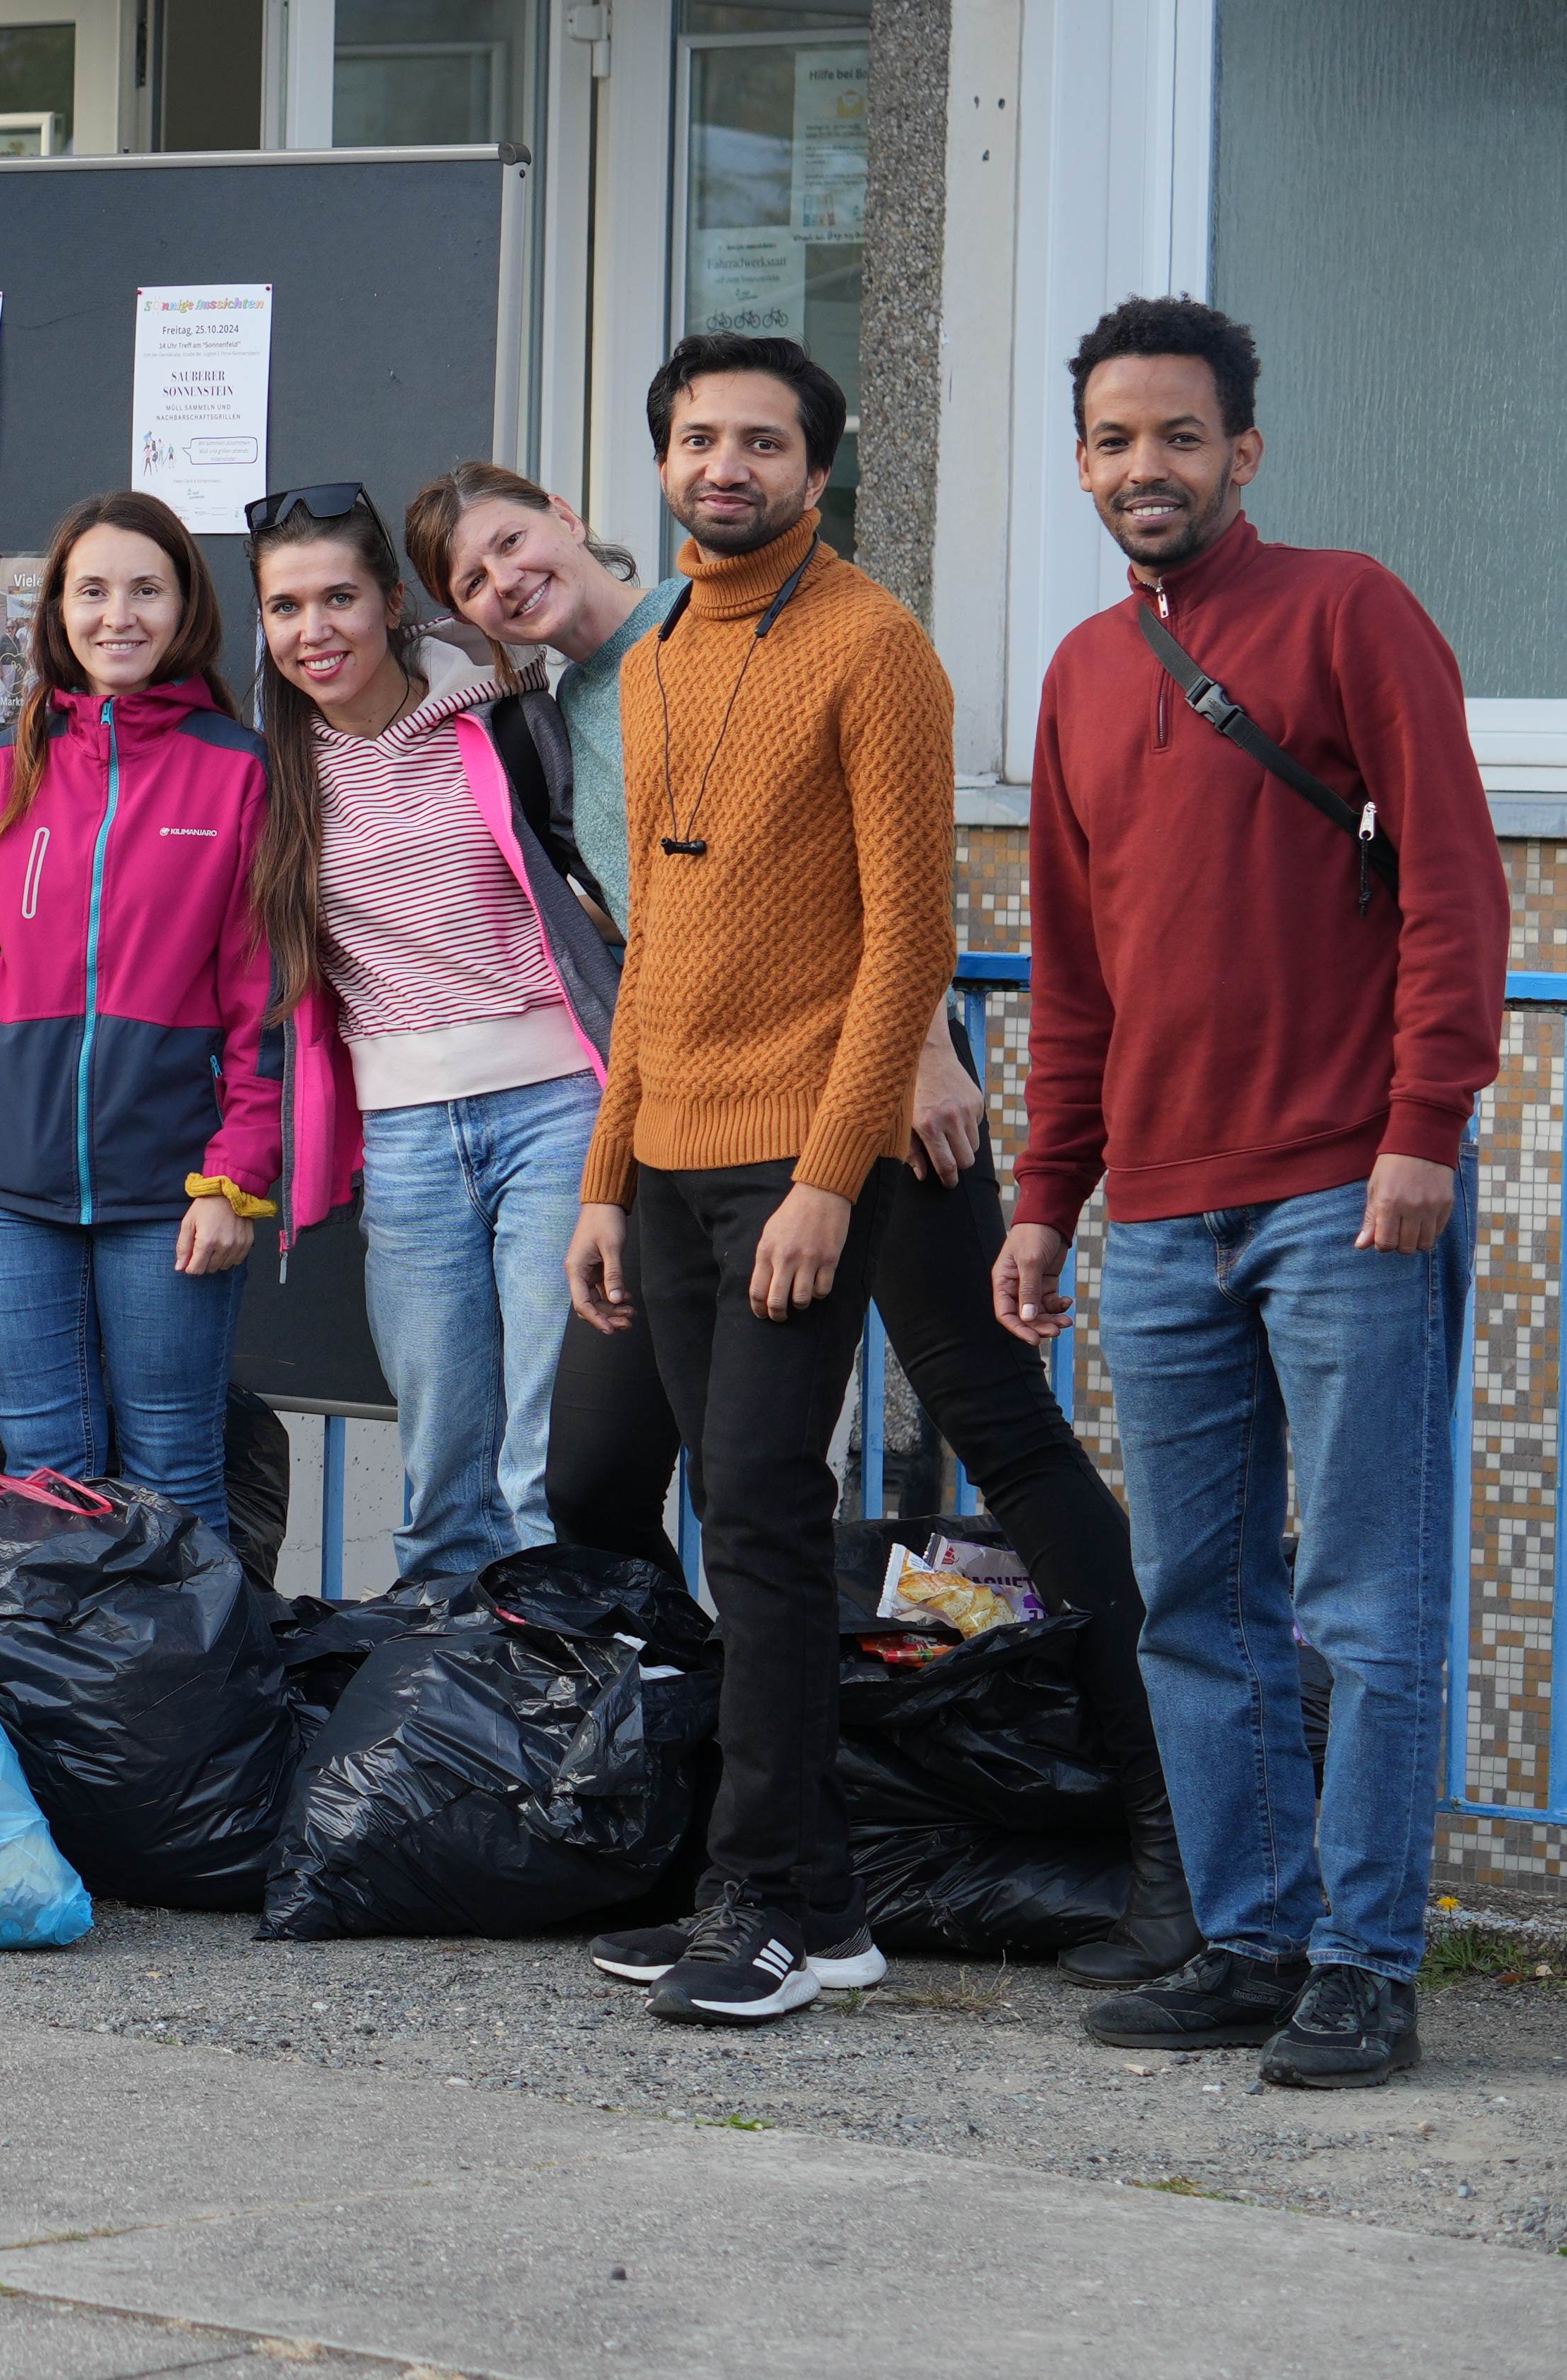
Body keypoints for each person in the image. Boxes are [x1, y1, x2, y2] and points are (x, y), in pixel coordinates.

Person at [410, 460, 1194, 1989]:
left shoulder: (761, 635)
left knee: (999, 1431)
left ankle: (1165, 1827)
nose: (505, 581)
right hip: (701, 1127)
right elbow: (647, 947)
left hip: (865, 1104)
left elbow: (886, 876)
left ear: (569, 514)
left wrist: (917, 1047)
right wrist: (611, 1179)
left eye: (512, 542)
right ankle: (743, 1849)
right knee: (598, 1474)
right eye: (472, 582)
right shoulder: (546, 727)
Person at [994, 296, 1505, 2091]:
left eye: (1179, 436)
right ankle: (1251, 1933)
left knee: (1362, 1601)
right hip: (1156, 1211)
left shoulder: (1345, 607)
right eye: (1114, 440)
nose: (1146, 466)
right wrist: (1044, 1197)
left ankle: (1365, 1958)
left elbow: (1453, 884)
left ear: (1242, 453)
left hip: (1341, 1197)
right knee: (1190, 1599)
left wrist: (1421, 1128)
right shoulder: (1071, 671)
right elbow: (1073, 971)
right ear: (1080, 462)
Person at [563, 332, 955, 2027]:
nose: (725, 463)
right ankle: (796, 1888)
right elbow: (651, 942)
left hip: (797, 1156)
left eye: (760, 440)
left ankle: (779, 1896)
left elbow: (906, 939)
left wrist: (828, 1167)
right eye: (698, 438)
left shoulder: (874, 648)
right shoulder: (651, 658)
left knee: (761, 1515)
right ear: (661, 461)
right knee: (717, 1514)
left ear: (820, 458)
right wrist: (597, 1177)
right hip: (661, 1158)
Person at [244, 482, 616, 1585]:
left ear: (394, 603)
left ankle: (558, 1703)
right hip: (405, 1137)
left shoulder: (506, 715)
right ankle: (442, 1716)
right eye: (284, 608)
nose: (315, 632)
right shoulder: (275, 771)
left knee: (543, 1460)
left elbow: (610, 872)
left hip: (559, 1109)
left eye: (339, 599)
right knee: (441, 1456)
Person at [0, 491, 270, 1535]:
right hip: (9, 1187)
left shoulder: (241, 773)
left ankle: (190, 1702)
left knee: (174, 1474)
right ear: (56, 611)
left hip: (173, 1189)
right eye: (93, 590)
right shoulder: (1, 773)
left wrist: (236, 1180)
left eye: (147, 589)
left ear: (186, 606)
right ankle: (59, 1701)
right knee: (47, 1478)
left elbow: (265, 1006)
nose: (119, 615)